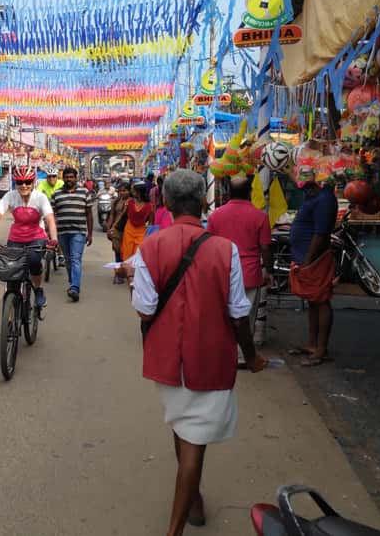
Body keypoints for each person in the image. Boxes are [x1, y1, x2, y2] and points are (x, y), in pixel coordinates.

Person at [124, 170, 267, 536]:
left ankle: (196, 501)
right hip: (211, 358)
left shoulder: (150, 248)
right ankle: (176, 528)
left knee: (183, 427)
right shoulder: (226, 249)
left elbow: (144, 309)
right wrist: (251, 356)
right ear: (204, 202)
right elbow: (239, 314)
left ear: (165, 204)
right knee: (194, 440)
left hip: (167, 360)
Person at [207, 174, 272, 359]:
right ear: (250, 192)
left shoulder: (216, 215)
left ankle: (224, 352)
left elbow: (208, 244)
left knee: (222, 313)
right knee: (246, 315)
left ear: (229, 192)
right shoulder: (260, 216)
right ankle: (243, 355)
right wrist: (269, 271)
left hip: (222, 271)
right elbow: (265, 248)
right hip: (249, 272)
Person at [0, 166, 58, 317]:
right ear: (15, 183)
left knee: (35, 261)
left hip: (36, 237)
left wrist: (53, 239)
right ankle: (11, 313)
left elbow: (50, 220)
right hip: (15, 238)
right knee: (11, 270)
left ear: (33, 182)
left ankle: (38, 289)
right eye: (20, 182)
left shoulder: (40, 198)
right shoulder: (10, 196)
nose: (24, 185)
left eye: (27, 181)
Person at [288, 175, 338, 366]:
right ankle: (312, 344)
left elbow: (321, 233)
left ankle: (321, 349)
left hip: (315, 259)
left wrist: (308, 260)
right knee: (313, 300)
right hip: (306, 257)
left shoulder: (325, 199)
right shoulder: (314, 196)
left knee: (321, 300)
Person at [51, 167, 93, 302]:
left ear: (76, 178)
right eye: (66, 177)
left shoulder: (84, 192)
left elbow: (89, 214)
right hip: (62, 232)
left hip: (79, 232)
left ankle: (75, 288)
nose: (69, 179)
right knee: (68, 260)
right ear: (63, 178)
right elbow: (52, 214)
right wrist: (51, 233)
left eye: (71, 177)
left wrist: (90, 233)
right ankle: (72, 282)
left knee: (75, 259)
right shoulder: (56, 194)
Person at [120, 182, 152, 261]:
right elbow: (122, 215)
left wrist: (148, 234)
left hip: (141, 232)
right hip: (129, 230)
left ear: (139, 192)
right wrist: (113, 226)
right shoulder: (130, 202)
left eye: (134, 191)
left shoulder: (149, 206)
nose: (132, 193)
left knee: (138, 255)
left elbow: (151, 222)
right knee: (127, 254)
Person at [105, 182, 130, 283]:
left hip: (127, 229)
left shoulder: (130, 202)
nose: (122, 193)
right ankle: (118, 274)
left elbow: (122, 216)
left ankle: (125, 272)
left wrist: (113, 226)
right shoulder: (116, 201)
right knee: (117, 251)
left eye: (124, 190)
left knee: (126, 252)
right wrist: (109, 227)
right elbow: (112, 215)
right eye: (120, 191)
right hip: (117, 230)